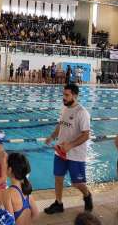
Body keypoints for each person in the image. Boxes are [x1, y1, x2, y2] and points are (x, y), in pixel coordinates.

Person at [44, 84, 93, 214]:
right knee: (58, 177)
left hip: (75, 154)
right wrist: (52, 136)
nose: (64, 98)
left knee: (76, 183)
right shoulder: (64, 109)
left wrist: (70, 146)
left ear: (75, 96)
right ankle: (58, 203)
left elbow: (86, 135)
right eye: (63, 95)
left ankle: (87, 195)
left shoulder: (82, 113)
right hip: (60, 151)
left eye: (67, 95)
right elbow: (60, 124)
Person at [3, 153, 38, 224]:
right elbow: (36, 214)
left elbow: (10, 222)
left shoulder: (8, 193)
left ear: (9, 170)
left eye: (6, 164)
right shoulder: (26, 188)